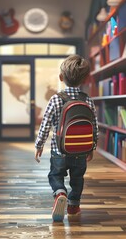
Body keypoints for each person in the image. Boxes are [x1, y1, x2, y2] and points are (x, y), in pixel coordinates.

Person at [35, 54, 99, 222]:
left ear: (61, 77)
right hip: (81, 152)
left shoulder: (56, 99)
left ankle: (60, 193)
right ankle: (73, 206)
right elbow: (94, 126)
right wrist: (92, 147)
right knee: (77, 179)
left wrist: (39, 145)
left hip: (59, 151)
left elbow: (45, 125)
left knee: (55, 175)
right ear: (85, 79)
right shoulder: (88, 100)